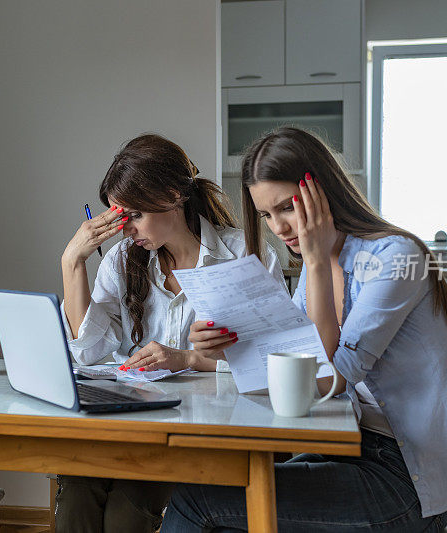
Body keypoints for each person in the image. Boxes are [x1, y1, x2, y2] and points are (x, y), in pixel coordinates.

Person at [161, 126, 447, 532]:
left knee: (197, 500)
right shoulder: (315, 263)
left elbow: (324, 378)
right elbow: (289, 357)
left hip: (409, 479)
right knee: (211, 486)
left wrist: (318, 262)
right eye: (267, 215)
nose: (279, 227)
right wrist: (226, 348)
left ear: (322, 192)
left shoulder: (394, 257)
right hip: (350, 449)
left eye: (287, 207)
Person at [56, 133, 286, 533]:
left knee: (127, 511)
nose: (126, 230)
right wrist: (72, 262)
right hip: (127, 426)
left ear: (174, 195)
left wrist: (191, 359)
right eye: (119, 218)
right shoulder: (121, 260)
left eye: (135, 216)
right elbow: (86, 352)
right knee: (76, 491)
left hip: (201, 436)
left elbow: (278, 365)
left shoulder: (245, 256)